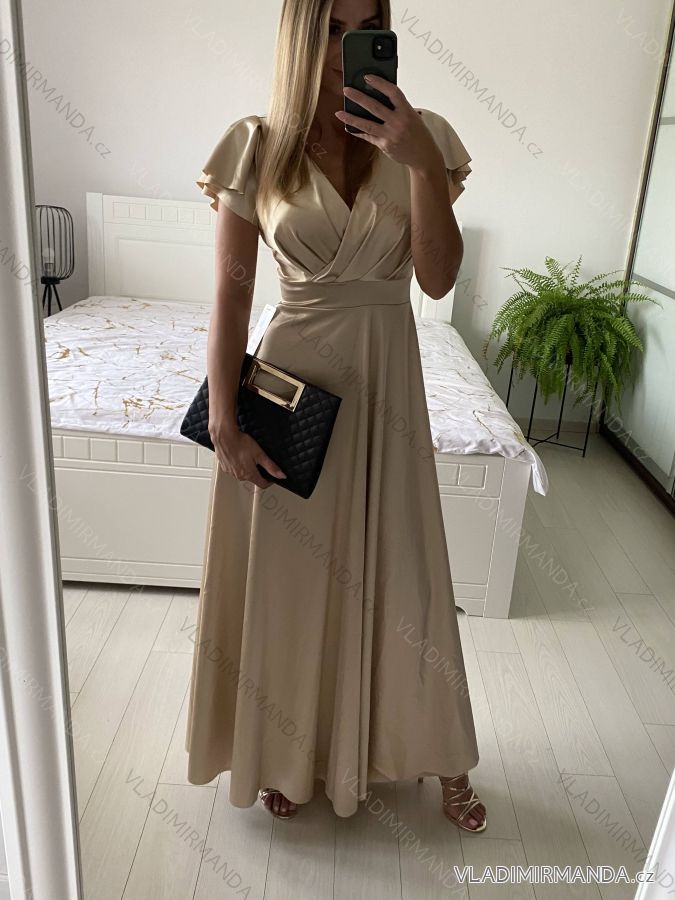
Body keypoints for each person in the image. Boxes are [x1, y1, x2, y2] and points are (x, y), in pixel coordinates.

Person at [185, 0, 487, 833]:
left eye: (366, 24)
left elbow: (436, 281)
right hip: (293, 390)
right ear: (299, 32)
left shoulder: (424, 135)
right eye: (330, 27)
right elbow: (231, 296)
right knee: (289, 585)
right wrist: (222, 419)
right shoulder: (256, 145)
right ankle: (289, 756)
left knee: (408, 576)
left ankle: (441, 753)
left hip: (389, 388)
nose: (346, 44)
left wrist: (418, 164)